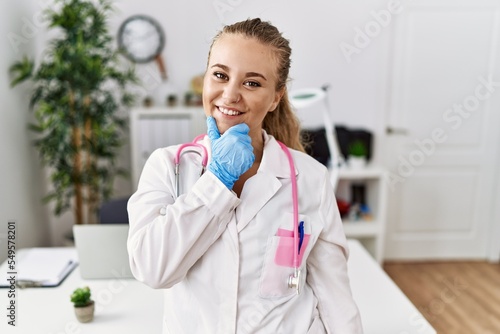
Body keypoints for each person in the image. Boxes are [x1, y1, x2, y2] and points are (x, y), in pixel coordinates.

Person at [127, 18, 363, 333]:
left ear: (276, 97)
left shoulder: (309, 178)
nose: (230, 94)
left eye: (252, 83)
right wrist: (217, 181)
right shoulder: (168, 166)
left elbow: (337, 301)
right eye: (220, 75)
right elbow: (152, 269)